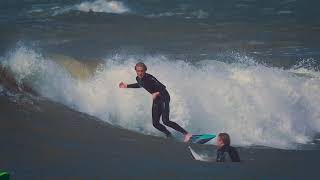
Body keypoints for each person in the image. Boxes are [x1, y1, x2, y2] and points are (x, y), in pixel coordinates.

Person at [119, 62, 192, 142]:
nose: (140, 73)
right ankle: (168, 134)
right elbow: (140, 84)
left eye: (142, 71)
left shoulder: (150, 78)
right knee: (155, 123)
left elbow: (163, 87)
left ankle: (187, 134)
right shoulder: (138, 78)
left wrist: (156, 93)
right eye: (138, 71)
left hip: (164, 97)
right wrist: (127, 86)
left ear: (145, 71)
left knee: (165, 121)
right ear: (135, 70)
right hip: (157, 100)